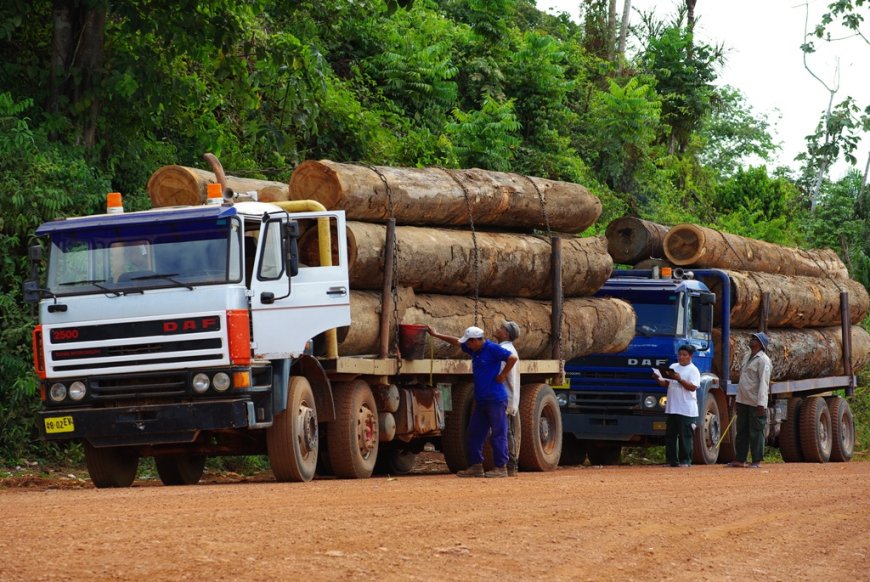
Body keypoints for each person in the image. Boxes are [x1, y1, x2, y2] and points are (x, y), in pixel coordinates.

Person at [427, 324, 518, 478]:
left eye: (469, 342)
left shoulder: (492, 348)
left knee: (498, 434)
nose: (467, 345)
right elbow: (457, 342)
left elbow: (512, 358)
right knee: (474, 433)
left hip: (495, 399)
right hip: (481, 400)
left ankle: (501, 467)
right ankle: (476, 466)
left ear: (476, 340)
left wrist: (503, 375)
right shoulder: (475, 350)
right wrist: (436, 334)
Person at [728, 332, 772, 469]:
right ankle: (740, 459)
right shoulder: (747, 356)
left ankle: (756, 460)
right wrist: (738, 400)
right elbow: (743, 381)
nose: (751, 340)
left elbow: (764, 384)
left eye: (755, 339)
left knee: (756, 432)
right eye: (752, 338)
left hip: (755, 402)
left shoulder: (763, 360)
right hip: (744, 400)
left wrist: (761, 404)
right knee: (741, 431)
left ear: (760, 344)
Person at [654, 344, 701, 467]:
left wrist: (680, 379)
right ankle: (671, 460)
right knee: (671, 435)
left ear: (690, 356)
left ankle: (685, 460)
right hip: (672, 407)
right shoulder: (673, 367)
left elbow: (693, 387)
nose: (681, 357)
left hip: (686, 409)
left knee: (685, 436)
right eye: (679, 354)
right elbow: (666, 384)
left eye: (684, 355)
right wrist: (658, 379)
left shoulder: (693, 370)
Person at [494, 321, 521, 477]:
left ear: (507, 334)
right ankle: (510, 465)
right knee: (506, 432)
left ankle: (511, 465)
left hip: (506, 397)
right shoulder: (508, 349)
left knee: (507, 432)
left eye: (501, 328)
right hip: (507, 397)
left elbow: (499, 374)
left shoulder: (504, 350)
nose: (498, 329)